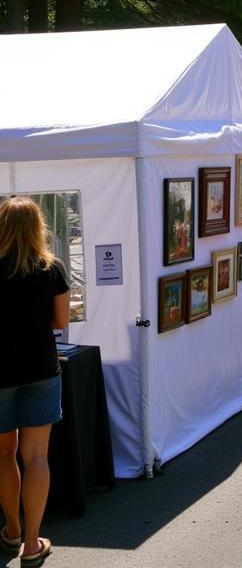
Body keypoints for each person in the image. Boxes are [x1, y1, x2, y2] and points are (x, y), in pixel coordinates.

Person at [0, 197, 70, 568]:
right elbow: (60, 322)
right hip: (40, 368)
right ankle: (31, 543)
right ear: (37, 227)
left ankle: (11, 530)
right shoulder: (52, 268)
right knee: (36, 456)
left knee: (3, 453)